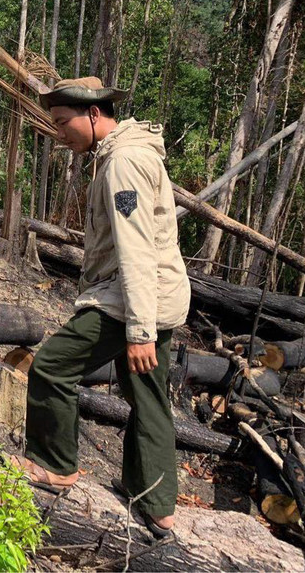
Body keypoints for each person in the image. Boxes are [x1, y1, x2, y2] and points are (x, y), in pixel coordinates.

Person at [12, 76, 191, 538]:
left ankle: (56, 466)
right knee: (148, 396)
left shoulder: (123, 163)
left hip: (132, 300)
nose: (58, 133)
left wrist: (139, 331)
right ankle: (155, 504)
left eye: (63, 122)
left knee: (52, 366)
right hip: (156, 296)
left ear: (94, 115)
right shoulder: (126, 154)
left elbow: (135, 249)